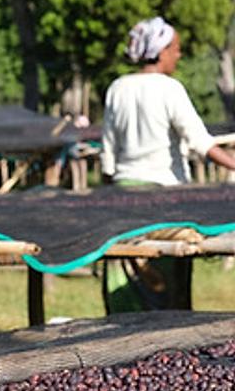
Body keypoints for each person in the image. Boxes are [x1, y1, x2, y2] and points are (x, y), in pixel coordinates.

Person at [99, 16, 235, 310]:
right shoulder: (169, 89)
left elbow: (108, 154)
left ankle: (120, 339)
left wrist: (109, 197)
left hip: (123, 198)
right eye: (175, 49)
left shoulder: (117, 88)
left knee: (125, 268)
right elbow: (201, 142)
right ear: (160, 52)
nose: (178, 54)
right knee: (168, 278)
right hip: (166, 200)